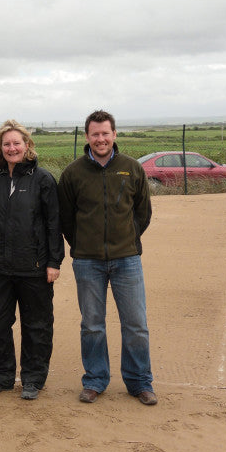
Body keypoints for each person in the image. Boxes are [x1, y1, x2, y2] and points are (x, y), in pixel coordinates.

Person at [57, 110, 156, 406]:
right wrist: (83, 245)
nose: (100, 139)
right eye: (95, 134)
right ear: (87, 137)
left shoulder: (132, 169)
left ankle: (139, 382)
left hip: (127, 259)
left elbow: (143, 212)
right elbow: (65, 218)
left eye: (105, 133)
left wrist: (127, 239)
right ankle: (95, 380)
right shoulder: (73, 173)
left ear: (114, 135)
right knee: (92, 324)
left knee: (136, 323)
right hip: (87, 262)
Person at [0, 120, 64, 400]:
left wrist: (54, 262)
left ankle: (33, 379)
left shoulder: (43, 179)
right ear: (0, 147)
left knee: (37, 325)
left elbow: (53, 223)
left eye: (17, 143)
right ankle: (2, 376)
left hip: (34, 268)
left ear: (27, 146)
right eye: (7, 143)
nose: (12, 148)